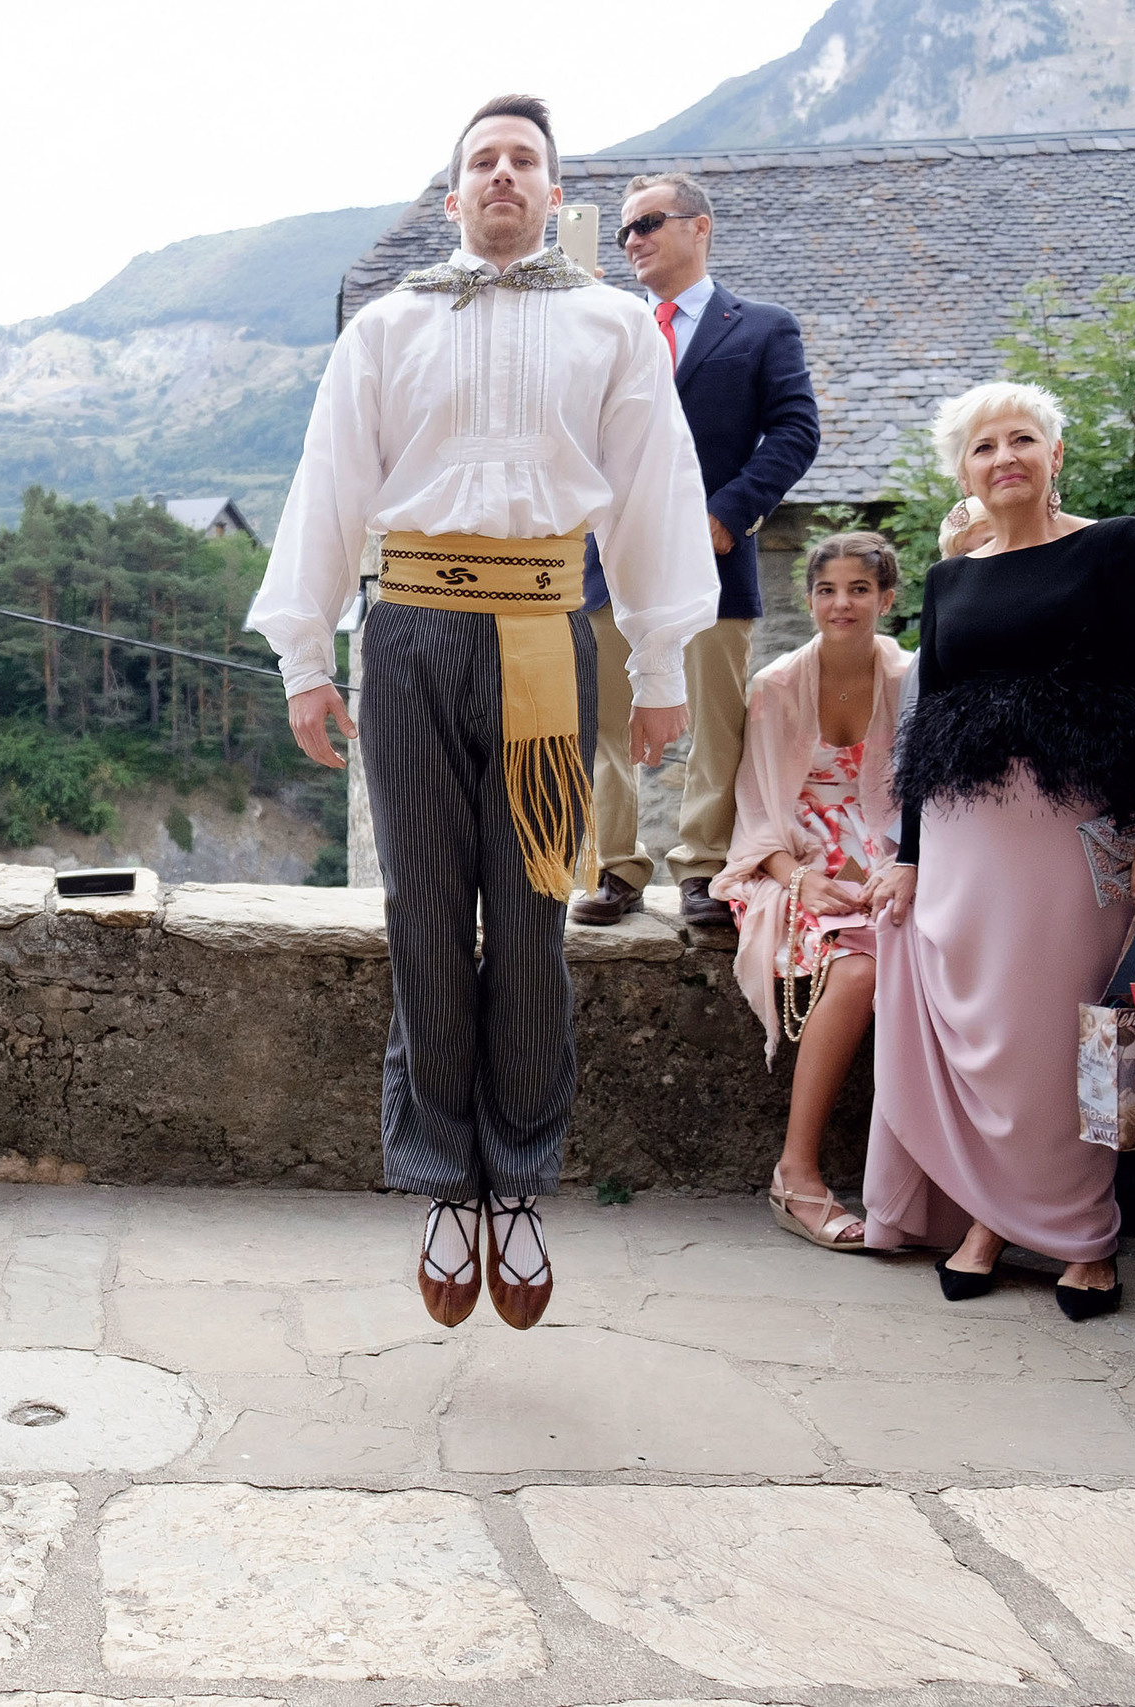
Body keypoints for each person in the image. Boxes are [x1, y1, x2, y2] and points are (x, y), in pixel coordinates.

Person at [248, 96, 719, 1331]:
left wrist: (662, 665)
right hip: (404, 631)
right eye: (481, 161)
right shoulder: (388, 325)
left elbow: (656, 490)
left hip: (541, 635)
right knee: (420, 909)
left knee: (529, 916)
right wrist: (306, 654)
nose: (501, 175)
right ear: (454, 193)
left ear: (551, 191)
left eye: (523, 160)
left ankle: (517, 1179)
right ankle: (437, 1182)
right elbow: (330, 481)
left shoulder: (614, 326)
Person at [862, 381, 1135, 1320]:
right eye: (982, 447)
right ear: (962, 474)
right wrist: (912, 853)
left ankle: (1084, 1235)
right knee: (981, 1038)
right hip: (965, 841)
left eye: (1021, 439)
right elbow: (931, 726)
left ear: (1055, 455)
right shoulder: (951, 579)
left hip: (1068, 837)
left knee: (1054, 1034)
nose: (1003, 456)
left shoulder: (1114, 547)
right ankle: (991, 1219)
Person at [571, 171, 819, 931]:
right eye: (624, 231)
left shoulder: (762, 327)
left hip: (712, 561)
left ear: (699, 227)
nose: (633, 240)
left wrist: (731, 513)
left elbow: (796, 429)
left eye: (648, 223)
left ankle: (704, 871)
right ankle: (615, 870)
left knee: (716, 724)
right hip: (606, 561)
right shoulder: (606, 328)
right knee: (604, 723)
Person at [710, 531, 910, 1249]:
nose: (842, 603)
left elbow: (919, 802)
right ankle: (796, 1172)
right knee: (859, 968)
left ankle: (930, 1182)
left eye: (860, 588)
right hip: (791, 859)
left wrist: (893, 867)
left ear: (887, 598)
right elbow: (759, 810)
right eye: (827, 589)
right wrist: (802, 879)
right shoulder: (777, 685)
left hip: (889, 853)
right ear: (809, 598)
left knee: (934, 954)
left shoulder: (911, 676)